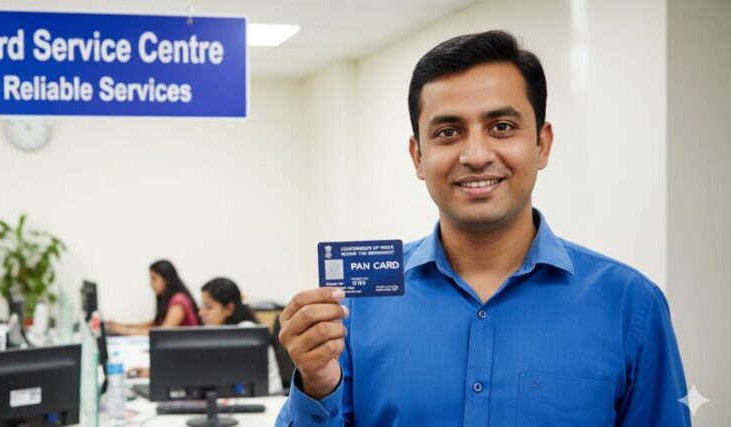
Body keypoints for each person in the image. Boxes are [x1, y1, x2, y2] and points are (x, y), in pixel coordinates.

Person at [276, 30, 689, 426]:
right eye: (448, 132)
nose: (475, 155)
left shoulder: (629, 305)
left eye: (502, 127)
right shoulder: (357, 307)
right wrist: (317, 385)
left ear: (541, 144)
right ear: (418, 156)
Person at [199, 277, 284, 395]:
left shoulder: (247, 332)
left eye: (209, 307)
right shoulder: (218, 331)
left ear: (229, 308)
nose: (201, 313)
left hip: (268, 399)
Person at [107, 260, 201, 335]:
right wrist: (124, 326)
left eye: (154, 279)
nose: (151, 284)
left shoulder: (179, 302)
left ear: (166, 280)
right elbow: (155, 323)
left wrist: (124, 331)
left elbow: (162, 332)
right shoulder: (170, 299)